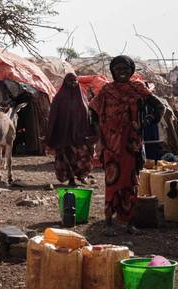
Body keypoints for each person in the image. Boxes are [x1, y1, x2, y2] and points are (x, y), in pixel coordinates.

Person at [89, 55, 164, 236]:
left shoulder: (138, 89)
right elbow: (93, 113)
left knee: (131, 183)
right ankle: (108, 224)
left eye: (126, 69)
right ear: (113, 71)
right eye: (118, 69)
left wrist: (144, 123)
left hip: (131, 145)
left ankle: (130, 224)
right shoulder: (106, 91)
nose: (122, 72)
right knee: (111, 183)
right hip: (111, 147)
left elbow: (159, 107)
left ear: (131, 71)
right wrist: (100, 136)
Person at [45, 73, 96, 186]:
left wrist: (91, 131)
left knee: (83, 156)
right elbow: (53, 117)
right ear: (65, 83)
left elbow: (88, 115)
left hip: (81, 134)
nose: (73, 83)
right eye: (70, 81)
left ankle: (82, 176)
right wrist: (50, 135)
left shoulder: (82, 96)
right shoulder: (59, 98)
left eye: (74, 81)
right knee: (67, 158)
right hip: (64, 134)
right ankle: (71, 178)